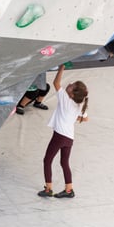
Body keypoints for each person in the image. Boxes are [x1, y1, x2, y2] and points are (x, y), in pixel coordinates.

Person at [38, 64, 88, 199]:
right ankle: (69, 190)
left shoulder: (65, 99)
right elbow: (85, 118)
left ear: (72, 93)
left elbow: (56, 83)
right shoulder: (79, 105)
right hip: (69, 138)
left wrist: (62, 67)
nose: (69, 84)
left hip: (59, 136)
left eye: (72, 85)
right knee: (64, 163)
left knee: (47, 160)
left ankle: (48, 189)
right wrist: (71, 118)